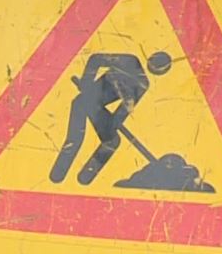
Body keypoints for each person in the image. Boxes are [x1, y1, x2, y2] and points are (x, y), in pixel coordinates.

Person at [50, 50, 173, 185]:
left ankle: (85, 177)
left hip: (95, 108)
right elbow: (95, 59)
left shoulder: (142, 84)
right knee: (76, 137)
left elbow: (122, 112)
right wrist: (87, 82)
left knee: (111, 141)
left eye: (159, 67)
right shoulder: (130, 61)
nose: (154, 68)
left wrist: (111, 125)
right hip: (84, 100)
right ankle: (58, 174)